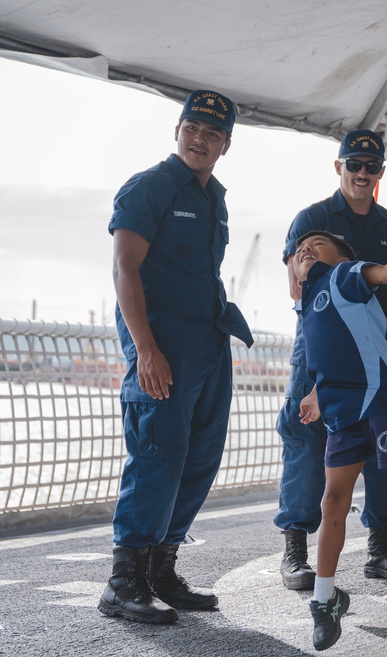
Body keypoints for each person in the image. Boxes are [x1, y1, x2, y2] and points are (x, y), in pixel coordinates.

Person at [100, 90, 254, 624]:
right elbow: (125, 269)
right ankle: (124, 581)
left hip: (208, 344)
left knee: (200, 458)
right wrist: (145, 349)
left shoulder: (215, 196)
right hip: (162, 348)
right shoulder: (151, 187)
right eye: (193, 127)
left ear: (225, 145)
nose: (200, 139)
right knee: (158, 457)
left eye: (213, 134)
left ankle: (160, 569)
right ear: (177, 130)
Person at [274, 130, 387, 590]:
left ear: (380, 173)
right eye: (353, 164)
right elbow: (296, 289)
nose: (361, 173)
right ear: (338, 167)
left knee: (384, 447)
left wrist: (371, 338)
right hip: (318, 355)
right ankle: (296, 548)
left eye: (370, 166)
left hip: (376, 357)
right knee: (306, 439)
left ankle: (379, 547)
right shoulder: (311, 219)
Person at [291, 230, 387, 651]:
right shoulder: (308, 303)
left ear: (340, 256)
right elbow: (335, 353)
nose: (306, 248)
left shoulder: (345, 275)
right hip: (342, 413)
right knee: (332, 503)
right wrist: (317, 392)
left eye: (317, 243)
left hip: (381, 402)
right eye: (301, 246)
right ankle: (325, 601)